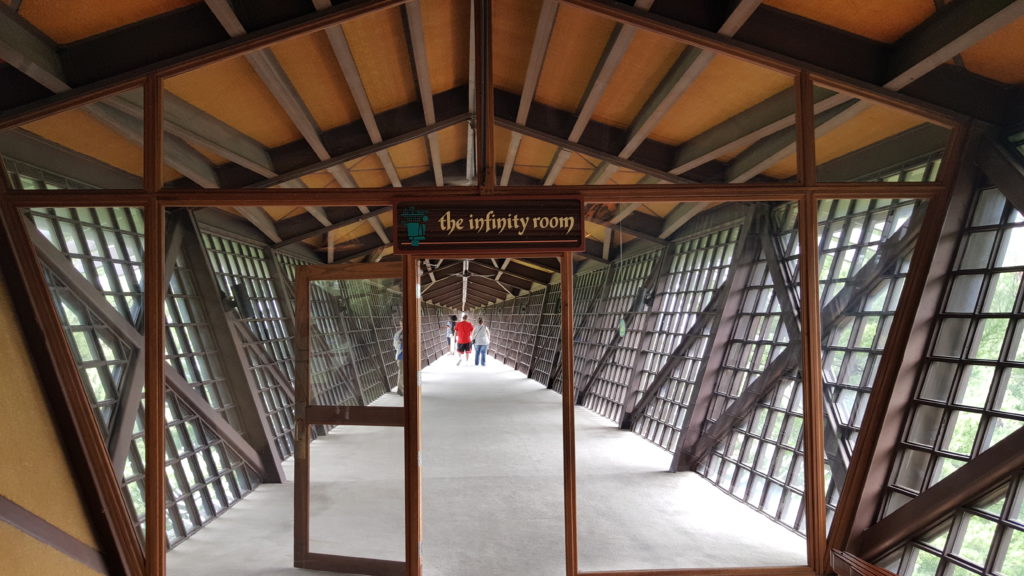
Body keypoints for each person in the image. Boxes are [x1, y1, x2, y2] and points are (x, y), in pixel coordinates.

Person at [392, 320, 403, 395]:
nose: (401, 326)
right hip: (401, 355)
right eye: (401, 324)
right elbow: (395, 345)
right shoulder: (398, 334)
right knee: (402, 373)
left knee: (402, 373)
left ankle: (400, 389)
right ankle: (401, 390)